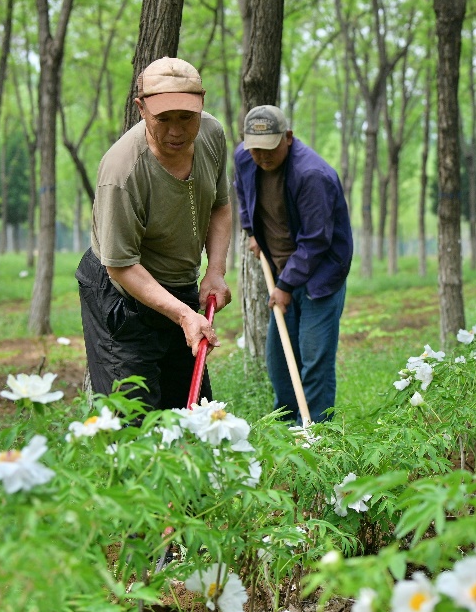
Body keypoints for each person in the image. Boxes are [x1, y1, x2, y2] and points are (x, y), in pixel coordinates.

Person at [77, 57, 231, 411]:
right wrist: (184, 315)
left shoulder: (211, 134)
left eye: (186, 117)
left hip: (179, 283)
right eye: (164, 118)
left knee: (191, 412)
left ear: (201, 105)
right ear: (141, 108)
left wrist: (216, 270)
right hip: (122, 293)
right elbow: (121, 266)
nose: (176, 131)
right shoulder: (122, 172)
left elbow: (221, 205)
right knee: (135, 416)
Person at [234, 105, 353, 424]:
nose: (262, 157)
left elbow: (316, 240)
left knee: (314, 358)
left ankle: (315, 433)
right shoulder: (245, 158)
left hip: (320, 276)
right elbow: (244, 196)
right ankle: (287, 427)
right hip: (281, 271)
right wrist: (252, 231)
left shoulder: (313, 175)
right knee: (279, 359)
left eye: (269, 148)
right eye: (255, 149)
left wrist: (286, 287)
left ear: (288, 137)